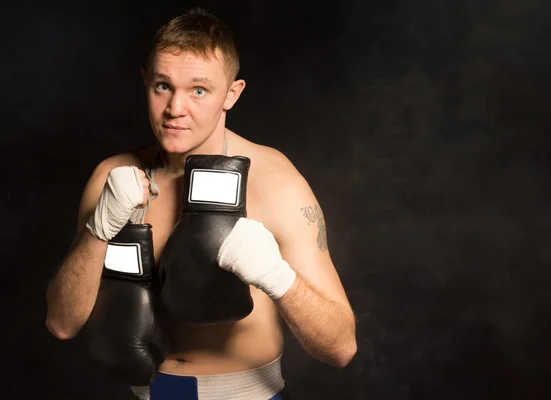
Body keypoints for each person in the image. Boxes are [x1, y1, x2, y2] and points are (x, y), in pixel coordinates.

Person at [45, 7, 357, 399]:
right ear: (145, 83)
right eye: (163, 86)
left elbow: (340, 346)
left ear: (231, 94)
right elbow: (61, 323)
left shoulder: (275, 182)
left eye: (198, 90)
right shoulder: (112, 176)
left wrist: (278, 277)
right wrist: (97, 231)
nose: (175, 108)